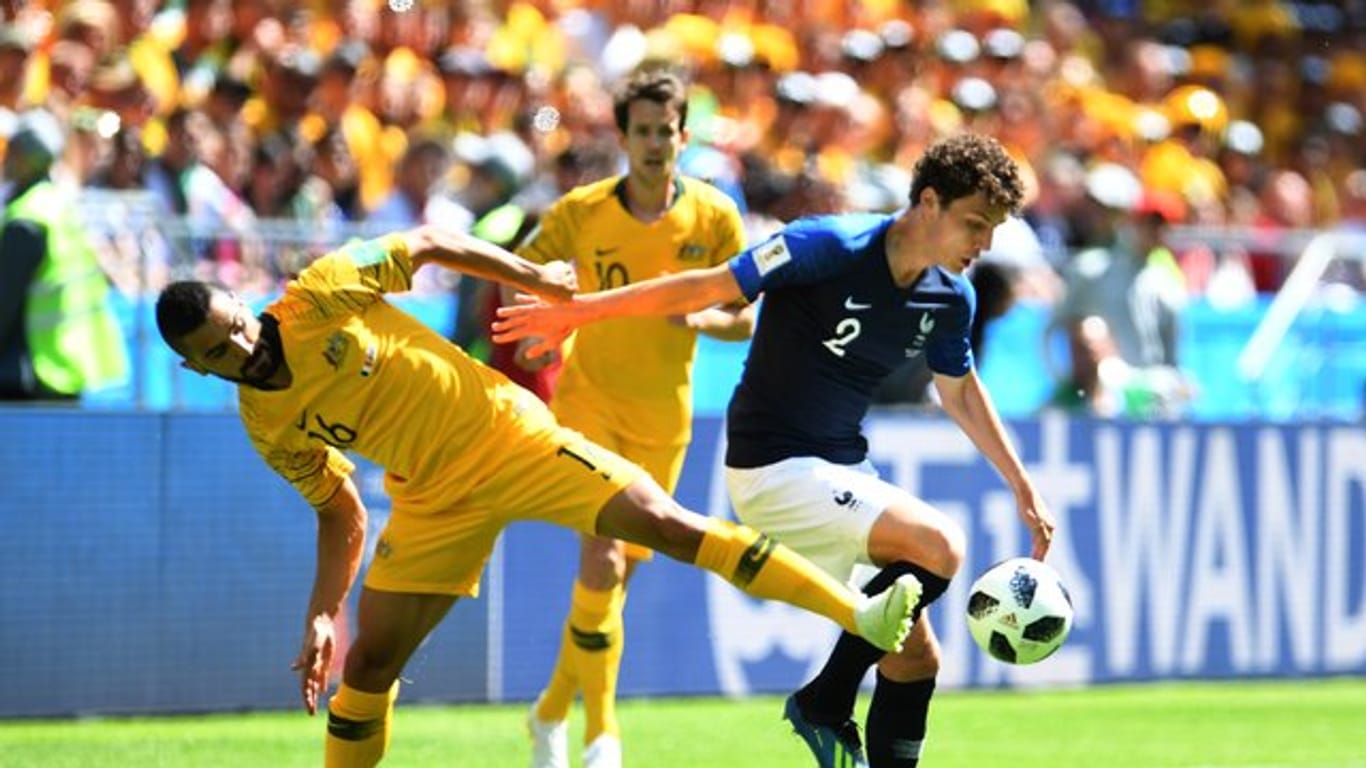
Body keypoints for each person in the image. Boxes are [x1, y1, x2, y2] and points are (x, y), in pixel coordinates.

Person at [152, 223, 919, 768]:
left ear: (243, 306)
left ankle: (858, 615)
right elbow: (338, 510)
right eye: (218, 350)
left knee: (662, 523)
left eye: (238, 325)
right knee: (370, 668)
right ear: (195, 367)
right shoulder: (268, 424)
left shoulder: (318, 296)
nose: (242, 345)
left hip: (509, 437)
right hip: (429, 500)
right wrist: (325, 611)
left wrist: (534, 279)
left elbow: (424, 242)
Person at [495, 133, 1057, 768]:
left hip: (841, 471)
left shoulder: (953, 297)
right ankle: (825, 698)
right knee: (940, 546)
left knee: (914, 658)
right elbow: (701, 287)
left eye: (993, 230)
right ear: (929, 202)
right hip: (772, 468)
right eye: (974, 224)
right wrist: (579, 313)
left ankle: (839, 712)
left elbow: (961, 392)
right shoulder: (827, 245)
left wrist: (1022, 485)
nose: (982, 245)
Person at [517, 68, 753, 768]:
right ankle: (602, 738)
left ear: (684, 135)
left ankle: (549, 713)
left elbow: (746, 318)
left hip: (664, 419)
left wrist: (699, 316)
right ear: (623, 137)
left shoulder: (713, 217)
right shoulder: (583, 211)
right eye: (641, 131)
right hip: (588, 404)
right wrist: (548, 312)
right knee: (602, 554)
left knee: (613, 587)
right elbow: (521, 267)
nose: (654, 143)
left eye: (666, 131)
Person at [0, 108, 127, 401]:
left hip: (30, 372)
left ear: (22, 156)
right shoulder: (60, 207)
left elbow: (4, 303)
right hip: (66, 368)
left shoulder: (27, 218)